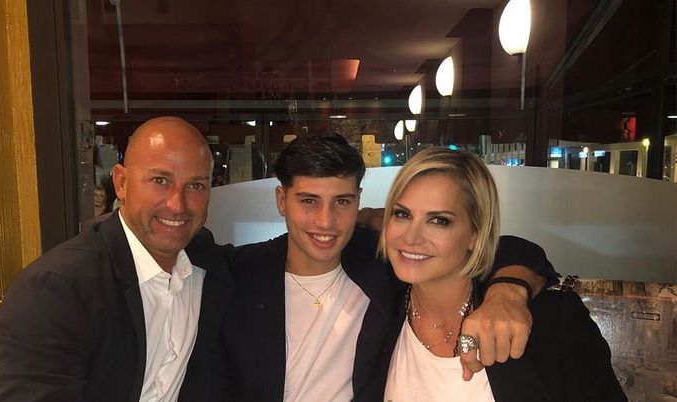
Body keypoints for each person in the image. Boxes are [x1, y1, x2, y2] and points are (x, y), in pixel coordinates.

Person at [209, 134, 558, 401]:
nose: (325, 221)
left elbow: (508, 248)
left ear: (358, 199)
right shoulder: (239, 272)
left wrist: (507, 292)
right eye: (309, 201)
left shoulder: (380, 264)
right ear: (281, 200)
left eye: (342, 201)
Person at [0, 116, 233, 401]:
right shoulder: (56, 290)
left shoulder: (205, 264)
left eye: (196, 185)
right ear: (121, 183)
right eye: (160, 180)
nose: (177, 204)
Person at [379, 147, 626, 401]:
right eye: (402, 214)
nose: (411, 237)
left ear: (476, 234)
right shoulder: (376, 309)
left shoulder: (550, 322)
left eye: (439, 220)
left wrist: (508, 293)